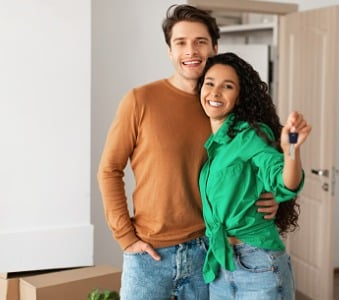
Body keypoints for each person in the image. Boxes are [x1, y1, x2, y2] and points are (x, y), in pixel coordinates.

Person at [97, 5, 278, 300]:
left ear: (215, 47)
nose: (190, 50)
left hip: (207, 252)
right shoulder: (139, 100)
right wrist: (125, 237)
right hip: (149, 255)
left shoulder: (225, 108)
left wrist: (272, 198)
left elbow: (261, 165)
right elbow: (109, 169)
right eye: (180, 42)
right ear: (170, 51)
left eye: (200, 42)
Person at [196, 52, 312, 300]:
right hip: (220, 266)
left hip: (257, 265)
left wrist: (291, 147)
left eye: (227, 86)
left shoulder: (249, 135)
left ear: (239, 98)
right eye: (210, 83)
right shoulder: (214, 143)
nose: (215, 92)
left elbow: (284, 182)